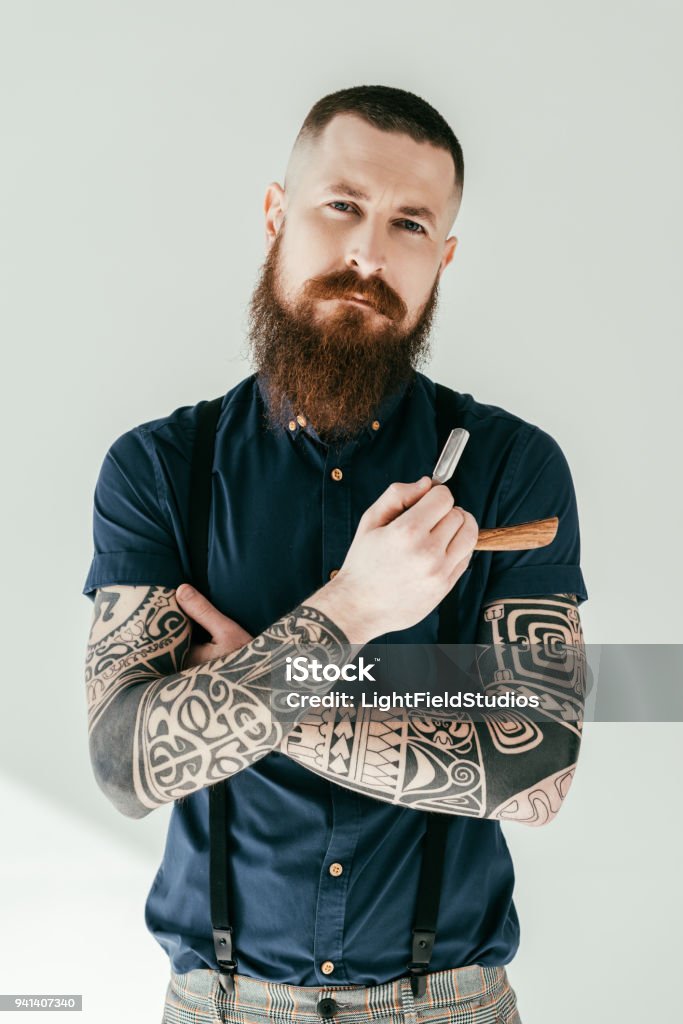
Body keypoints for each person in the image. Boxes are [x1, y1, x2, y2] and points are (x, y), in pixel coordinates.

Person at [83, 85, 588, 1024]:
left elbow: (536, 767)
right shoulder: (158, 468)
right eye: (342, 205)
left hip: (453, 1006)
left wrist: (249, 681)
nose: (367, 250)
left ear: (442, 258)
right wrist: (352, 609)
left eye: (408, 223)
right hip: (219, 1006)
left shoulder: (515, 466)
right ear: (277, 213)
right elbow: (123, 765)